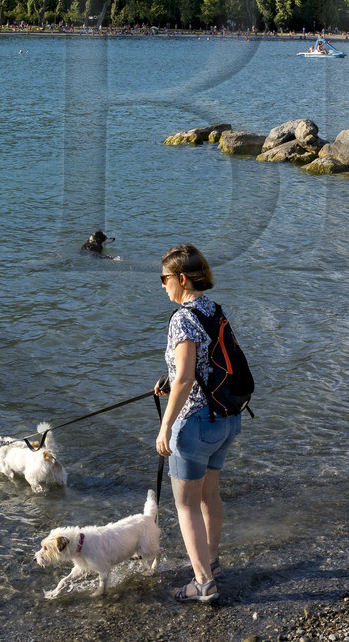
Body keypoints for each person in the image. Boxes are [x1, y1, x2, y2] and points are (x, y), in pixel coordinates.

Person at [155, 244, 239, 602]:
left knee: (185, 504)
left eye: (165, 278)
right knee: (209, 494)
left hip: (194, 425)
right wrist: (167, 379)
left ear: (182, 278)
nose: (162, 285)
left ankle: (203, 583)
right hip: (225, 419)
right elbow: (209, 361)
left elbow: (187, 378)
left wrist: (165, 426)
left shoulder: (182, 318)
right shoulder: (213, 309)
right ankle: (213, 563)